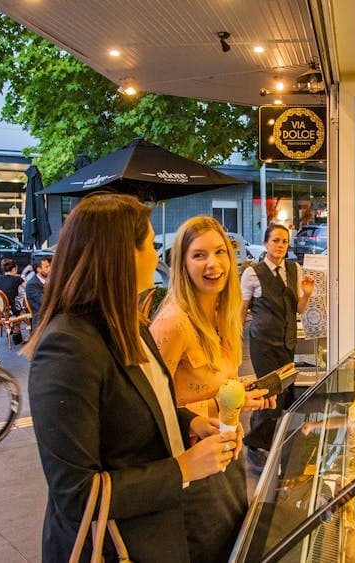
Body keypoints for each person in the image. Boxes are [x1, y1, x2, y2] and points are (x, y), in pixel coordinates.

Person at [24, 194, 240, 562]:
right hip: (115, 547)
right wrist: (182, 468)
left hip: (155, 532)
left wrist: (191, 422)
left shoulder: (128, 324)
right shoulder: (68, 345)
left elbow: (142, 406)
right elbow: (76, 493)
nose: (157, 256)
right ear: (123, 255)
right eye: (150, 244)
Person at [150, 216, 274, 561]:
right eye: (199, 255)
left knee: (234, 544)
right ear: (182, 264)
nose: (213, 264)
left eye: (220, 252)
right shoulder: (173, 322)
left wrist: (243, 395)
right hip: (195, 466)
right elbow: (150, 404)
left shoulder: (223, 312)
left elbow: (213, 386)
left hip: (227, 448)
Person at [240, 224, 315, 452]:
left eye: (284, 241)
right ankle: (260, 442)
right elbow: (242, 308)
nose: (280, 245)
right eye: (275, 240)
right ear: (265, 244)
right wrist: (233, 337)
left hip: (286, 340)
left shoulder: (294, 270)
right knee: (270, 391)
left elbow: (300, 309)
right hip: (263, 342)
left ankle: (264, 438)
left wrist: (308, 295)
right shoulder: (253, 273)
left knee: (284, 389)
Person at [0, 258, 25, 344]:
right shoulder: (17, 279)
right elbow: (29, 288)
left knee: (15, 303)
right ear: (14, 269)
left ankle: (9, 326)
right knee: (22, 307)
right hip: (12, 310)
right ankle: (16, 331)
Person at [24, 256, 50, 324]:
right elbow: (44, 301)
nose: (50, 269)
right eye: (46, 267)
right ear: (39, 269)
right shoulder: (32, 285)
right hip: (41, 320)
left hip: (52, 316)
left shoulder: (51, 281)